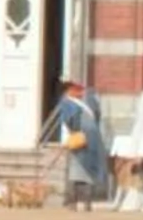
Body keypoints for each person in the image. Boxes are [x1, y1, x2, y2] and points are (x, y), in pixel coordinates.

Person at [44, 77, 111, 210]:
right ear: (69, 91)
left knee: (90, 171)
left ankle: (87, 202)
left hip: (92, 141)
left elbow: (96, 114)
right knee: (76, 171)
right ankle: (73, 202)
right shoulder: (67, 103)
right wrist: (74, 134)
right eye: (76, 90)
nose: (79, 92)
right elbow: (68, 121)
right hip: (79, 139)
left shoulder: (86, 102)